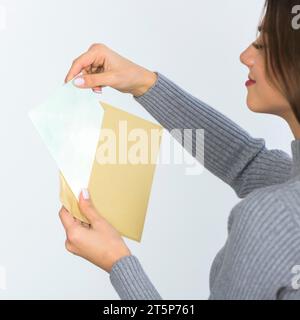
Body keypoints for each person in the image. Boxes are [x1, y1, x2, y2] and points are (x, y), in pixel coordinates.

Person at [59, 0, 300, 300]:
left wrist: (119, 263)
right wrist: (144, 83)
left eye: (264, 45)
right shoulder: (289, 194)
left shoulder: (270, 219)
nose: (245, 55)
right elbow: (247, 164)